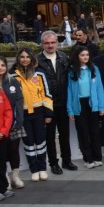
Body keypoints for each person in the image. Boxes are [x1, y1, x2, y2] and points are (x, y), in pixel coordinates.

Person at [36, 31, 75, 174]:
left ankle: (67, 160)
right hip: (47, 105)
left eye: (52, 42)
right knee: (50, 136)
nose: (50, 45)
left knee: (65, 134)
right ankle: (53, 163)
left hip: (63, 103)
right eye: (47, 43)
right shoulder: (36, 61)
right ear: (42, 44)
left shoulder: (64, 57)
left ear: (57, 43)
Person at [13, 48, 53, 182]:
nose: (25, 59)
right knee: (28, 143)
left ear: (32, 59)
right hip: (22, 115)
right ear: (18, 58)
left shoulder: (39, 74)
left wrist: (48, 113)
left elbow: (46, 94)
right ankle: (34, 169)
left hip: (39, 113)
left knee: (40, 141)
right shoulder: (12, 76)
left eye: (27, 57)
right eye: (22, 57)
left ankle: (42, 168)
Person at [67, 46, 104, 169]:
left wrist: (101, 106)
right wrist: (70, 109)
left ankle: (97, 157)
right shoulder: (72, 71)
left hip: (92, 104)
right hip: (79, 105)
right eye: (82, 55)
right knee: (83, 132)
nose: (85, 57)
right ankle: (88, 158)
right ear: (77, 56)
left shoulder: (94, 69)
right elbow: (69, 92)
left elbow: (99, 88)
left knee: (95, 131)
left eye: (87, 55)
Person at [0, 57, 25, 191]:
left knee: (14, 151)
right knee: (2, 154)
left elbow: (19, 101)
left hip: (14, 123)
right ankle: (5, 179)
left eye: (3, 65)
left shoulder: (12, 81)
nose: (1, 68)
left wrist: (19, 119)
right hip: (1, 126)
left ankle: (15, 176)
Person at [0, 82, 13, 201]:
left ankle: (3, 189)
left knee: (2, 164)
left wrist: (3, 131)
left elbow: (8, 112)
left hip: (2, 135)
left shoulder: (1, 93)